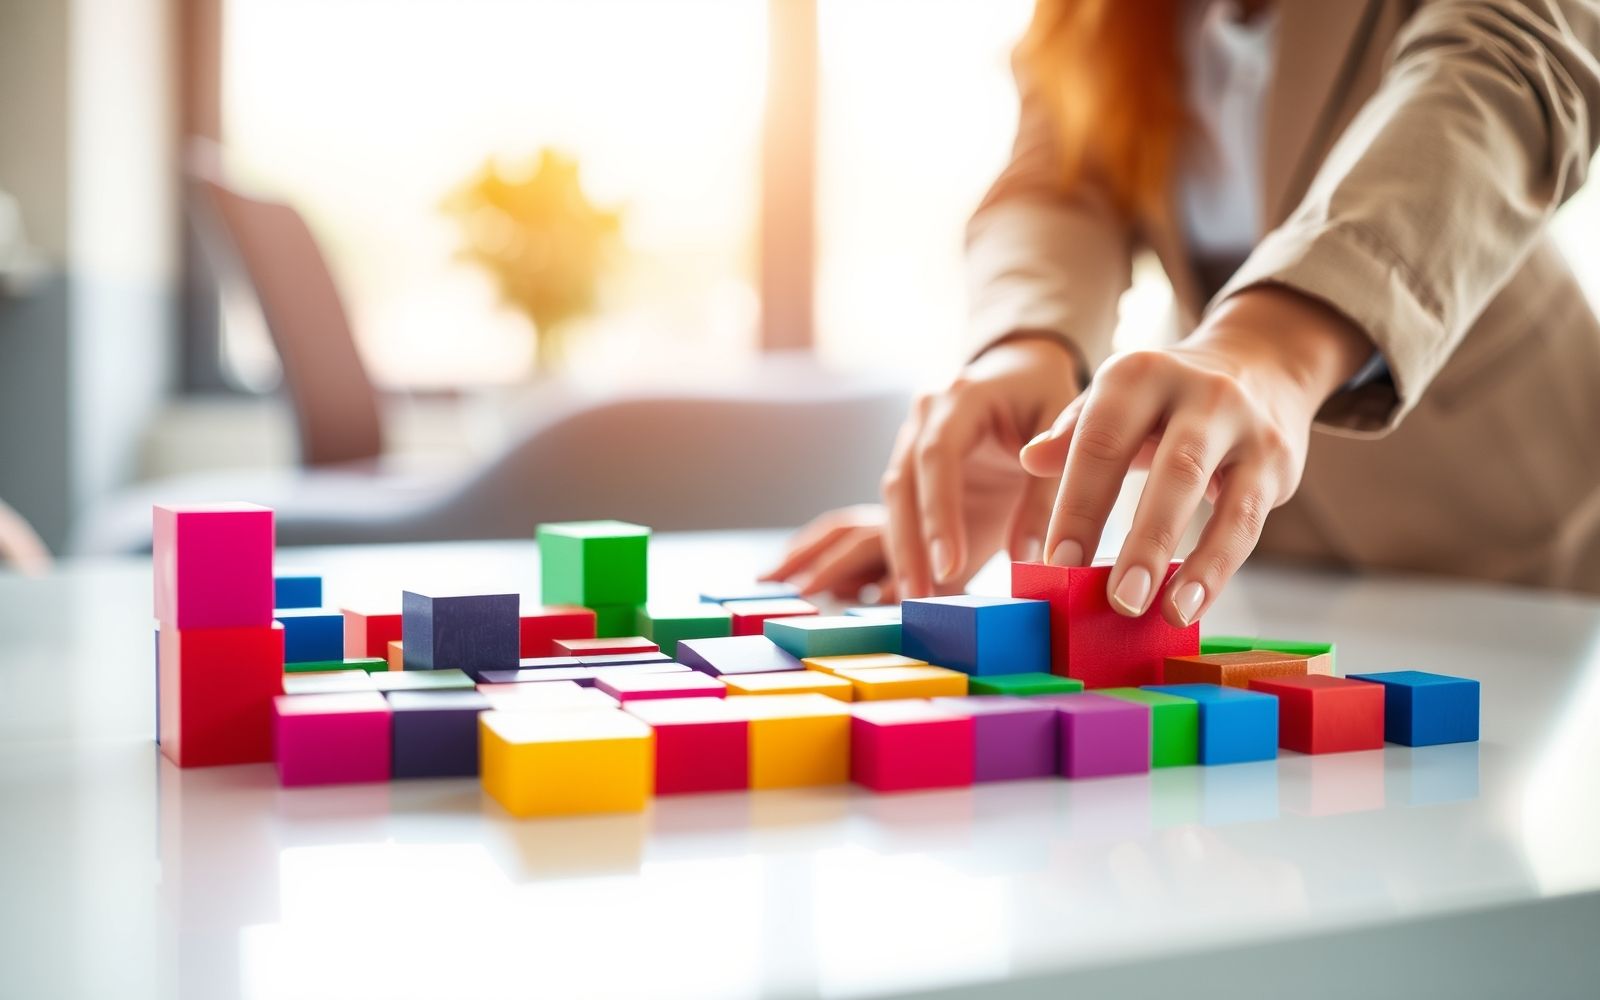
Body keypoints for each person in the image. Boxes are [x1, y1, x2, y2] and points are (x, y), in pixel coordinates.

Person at [765, 0, 1600, 619]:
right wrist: (1026, 347)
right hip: (1255, 554)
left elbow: (1515, 60)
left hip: (1514, 536)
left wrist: (1270, 347)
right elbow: (1057, 180)